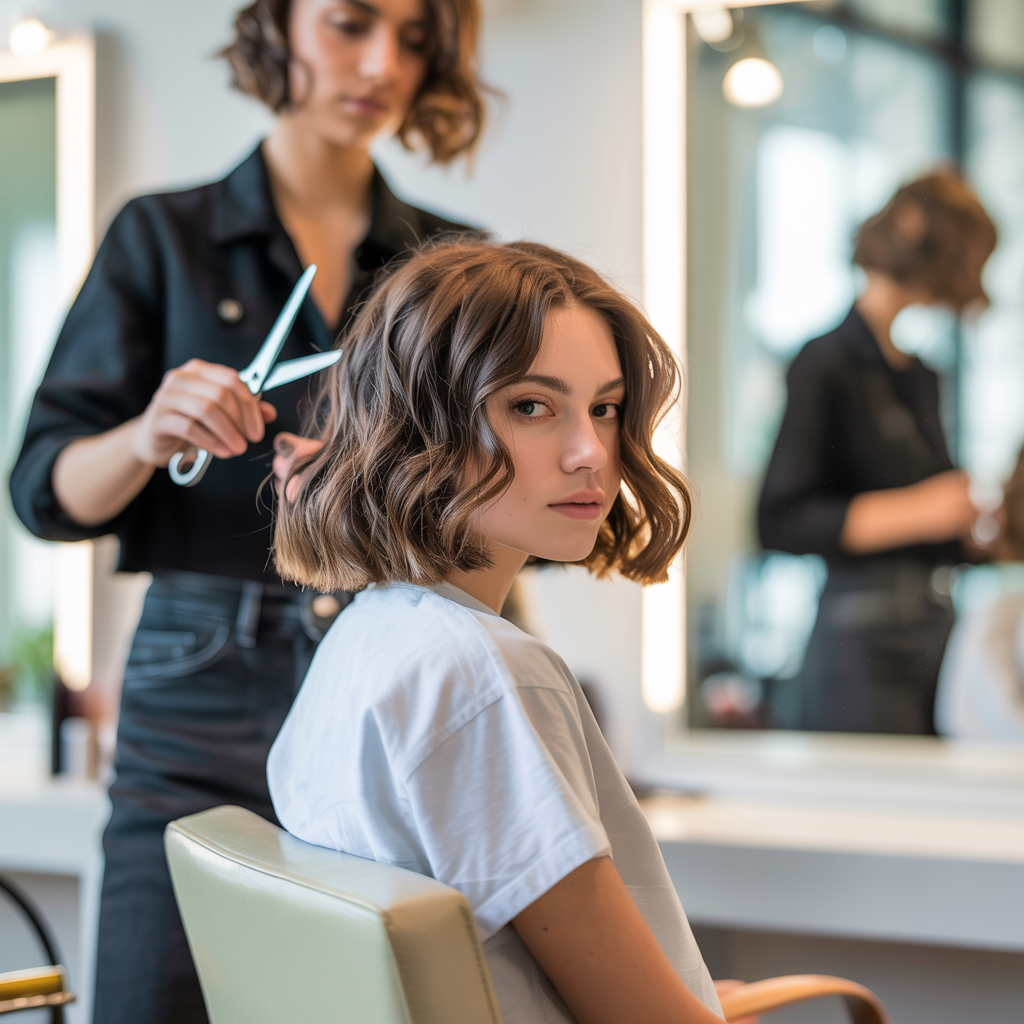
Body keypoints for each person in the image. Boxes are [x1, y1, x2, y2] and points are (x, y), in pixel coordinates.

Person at [8, 2, 486, 1021]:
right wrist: (147, 433)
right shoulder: (163, 236)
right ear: (277, 29)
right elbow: (44, 492)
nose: (381, 63)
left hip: (393, 665)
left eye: (411, 40)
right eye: (352, 25)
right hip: (197, 678)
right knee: (151, 995)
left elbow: (498, 513)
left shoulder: (453, 268)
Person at [266, 238, 725, 1024]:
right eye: (531, 406)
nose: (591, 454)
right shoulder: (483, 674)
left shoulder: (365, 640)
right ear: (419, 425)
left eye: (605, 409)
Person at [758, 171, 997, 735]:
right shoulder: (824, 363)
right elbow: (781, 521)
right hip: (861, 643)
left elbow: (935, 523)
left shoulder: (921, 378)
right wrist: (925, 509)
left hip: (938, 628)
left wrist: (972, 527)